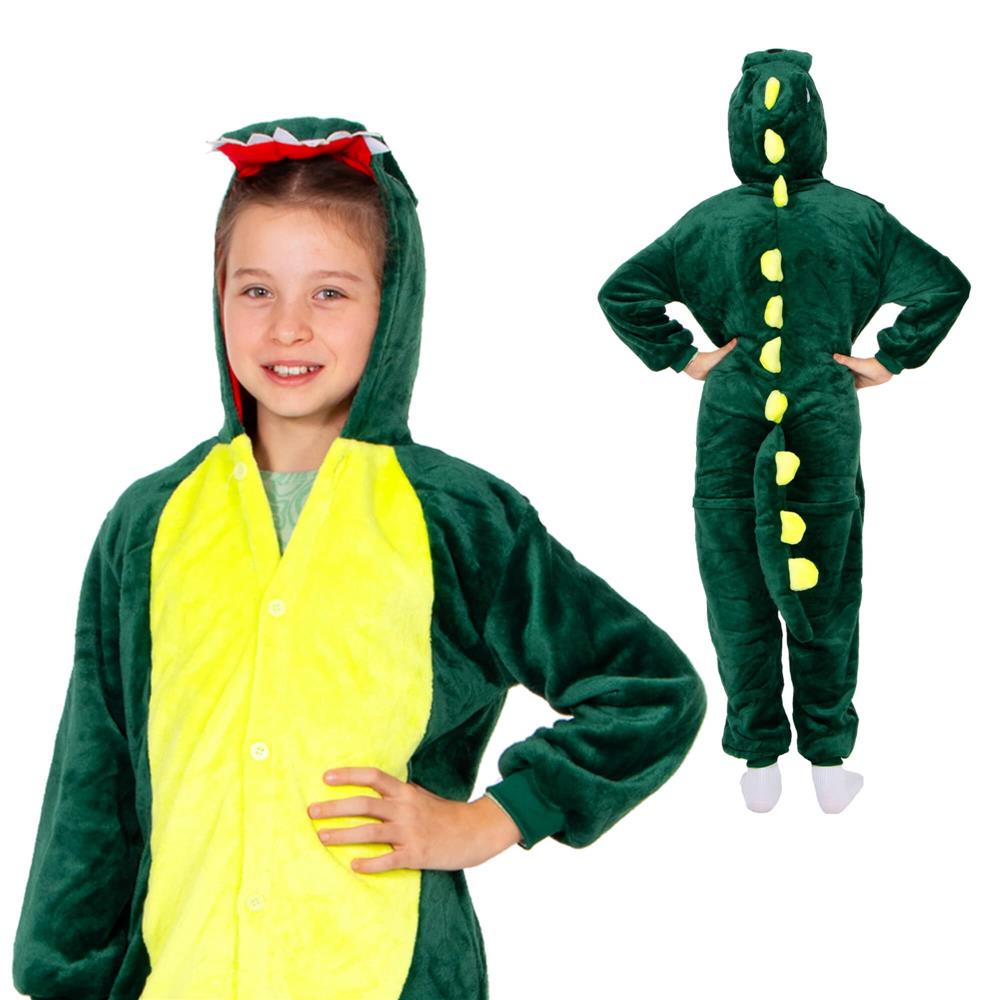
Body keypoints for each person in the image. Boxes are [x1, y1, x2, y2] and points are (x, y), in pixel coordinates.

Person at [12, 116, 707, 1000]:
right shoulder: (149, 522)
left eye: (330, 293)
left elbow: (649, 690)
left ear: (393, 302)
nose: (288, 328)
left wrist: (489, 821)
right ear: (217, 296)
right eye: (255, 290)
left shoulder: (459, 517)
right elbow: (96, 774)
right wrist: (64, 976)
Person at [597, 49, 970, 815]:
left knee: (735, 585)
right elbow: (944, 285)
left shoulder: (709, 222)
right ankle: (828, 762)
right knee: (826, 587)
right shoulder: (859, 218)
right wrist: (886, 360)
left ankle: (759, 761)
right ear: (816, 120)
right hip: (820, 418)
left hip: (732, 424)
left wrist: (689, 358)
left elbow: (623, 292)